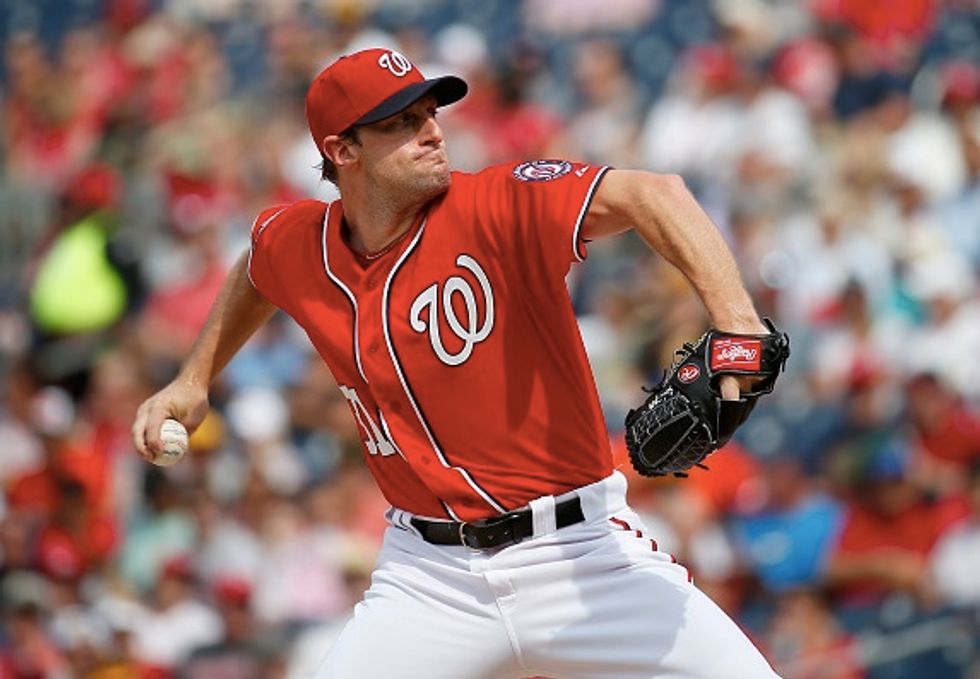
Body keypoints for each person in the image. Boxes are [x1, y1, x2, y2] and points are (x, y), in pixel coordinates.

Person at [132, 47, 780, 678]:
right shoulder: (303, 244)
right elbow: (258, 263)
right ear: (343, 150)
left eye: (429, 112)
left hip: (581, 552)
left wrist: (738, 324)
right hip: (429, 579)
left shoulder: (498, 204)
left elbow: (653, 193)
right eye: (401, 122)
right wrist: (193, 379)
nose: (432, 131)